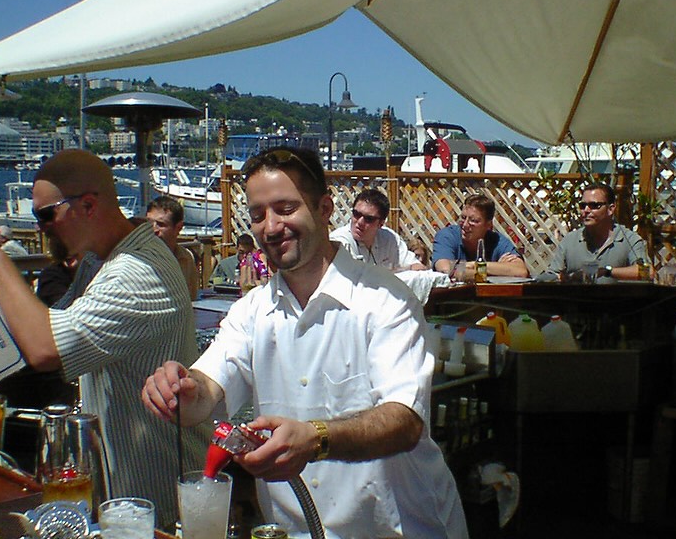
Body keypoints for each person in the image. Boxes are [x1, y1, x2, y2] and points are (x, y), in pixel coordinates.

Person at [142, 146, 468, 538]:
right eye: (259, 215)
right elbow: (208, 388)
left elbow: (404, 423)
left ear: (325, 209)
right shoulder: (252, 310)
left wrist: (317, 438)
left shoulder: (385, 299)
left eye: (285, 208)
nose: (271, 226)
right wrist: (181, 390)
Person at [0, 149, 208, 528]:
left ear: (88, 205)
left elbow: (44, 348)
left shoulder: (136, 274)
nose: (41, 227)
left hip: (154, 502)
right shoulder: (103, 259)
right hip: (129, 496)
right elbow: (49, 324)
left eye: (46, 214)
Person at [544, 182, 650, 281]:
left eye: (594, 206)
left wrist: (606, 271)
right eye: (582, 206)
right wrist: (569, 278)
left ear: (610, 209)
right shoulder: (570, 240)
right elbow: (552, 275)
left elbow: (647, 273)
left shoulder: (629, 239)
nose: (586, 210)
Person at [432, 193, 529, 279]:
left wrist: (475, 265)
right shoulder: (447, 236)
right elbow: (446, 272)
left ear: (488, 225)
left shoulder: (498, 241)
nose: (465, 225)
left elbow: (521, 271)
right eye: (463, 218)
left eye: (473, 221)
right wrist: (499, 268)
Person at [329, 188, 425, 271]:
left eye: (369, 219)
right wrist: (398, 271)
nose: (360, 222)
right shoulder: (340, 242)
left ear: (381, 224)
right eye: (356, 214)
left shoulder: (389, 238)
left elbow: (418, 267)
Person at [146, 195, 200, 300]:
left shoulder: (186, 258)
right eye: (149, 222)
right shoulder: (137, 258)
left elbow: (191, 299)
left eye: (160, 224)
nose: (153, 229)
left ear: (178, 227)